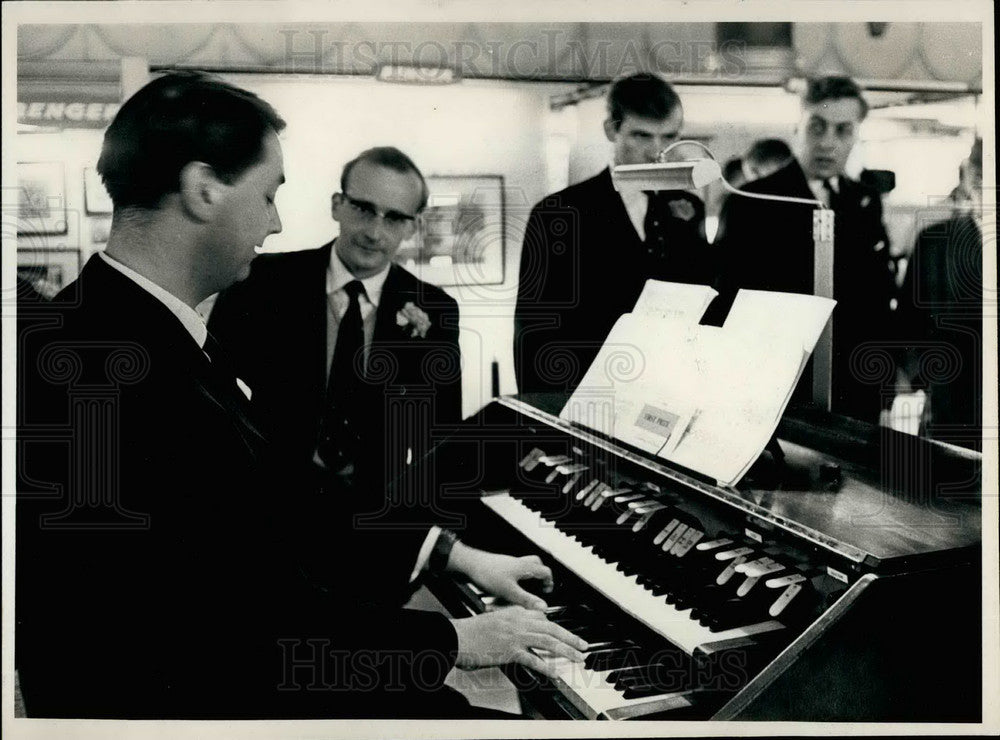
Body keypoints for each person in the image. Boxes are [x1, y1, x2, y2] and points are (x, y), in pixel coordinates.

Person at [15, 71, 586, 720]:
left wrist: (454, 553)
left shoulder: (118, 329)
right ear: (204, 190)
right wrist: (453, 639)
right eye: (268, 195)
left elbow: (276, 492)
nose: (277, 221)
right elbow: (246, 621)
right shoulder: (116, 372)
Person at [209, 148, 470, 593]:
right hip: (268, 524)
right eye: (363, 209)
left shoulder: (435, 311)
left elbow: (441, 442)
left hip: (378, 539)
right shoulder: (262, 282)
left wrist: (433, 542)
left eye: (394, 218)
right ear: (337, 204)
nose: (374, 232)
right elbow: (213, 404)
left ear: (412, 226)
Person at [514, 72, 712, 395]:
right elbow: (534, 336)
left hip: (670, 396)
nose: (657, 152)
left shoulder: (687, 208)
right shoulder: (558, 214)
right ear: (611, 130)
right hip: (589, 401)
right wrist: (545, 429)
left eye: (669, 137)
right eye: (642, 136)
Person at [713, 76, 896, 421]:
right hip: (776, 398)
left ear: (856, 135)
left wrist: (883, 389)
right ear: (797, 128)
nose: (828, 142)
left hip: (855, 394)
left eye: (843, 130)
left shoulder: (864, 202)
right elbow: (727, 307)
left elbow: (876, 302)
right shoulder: (751, 203)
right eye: (817, 127)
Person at [896, 138, 984, 450]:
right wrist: (925, 376)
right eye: (980, 177)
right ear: (967, 177)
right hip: (950, 408)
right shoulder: (934, 243)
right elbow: (908, 322)